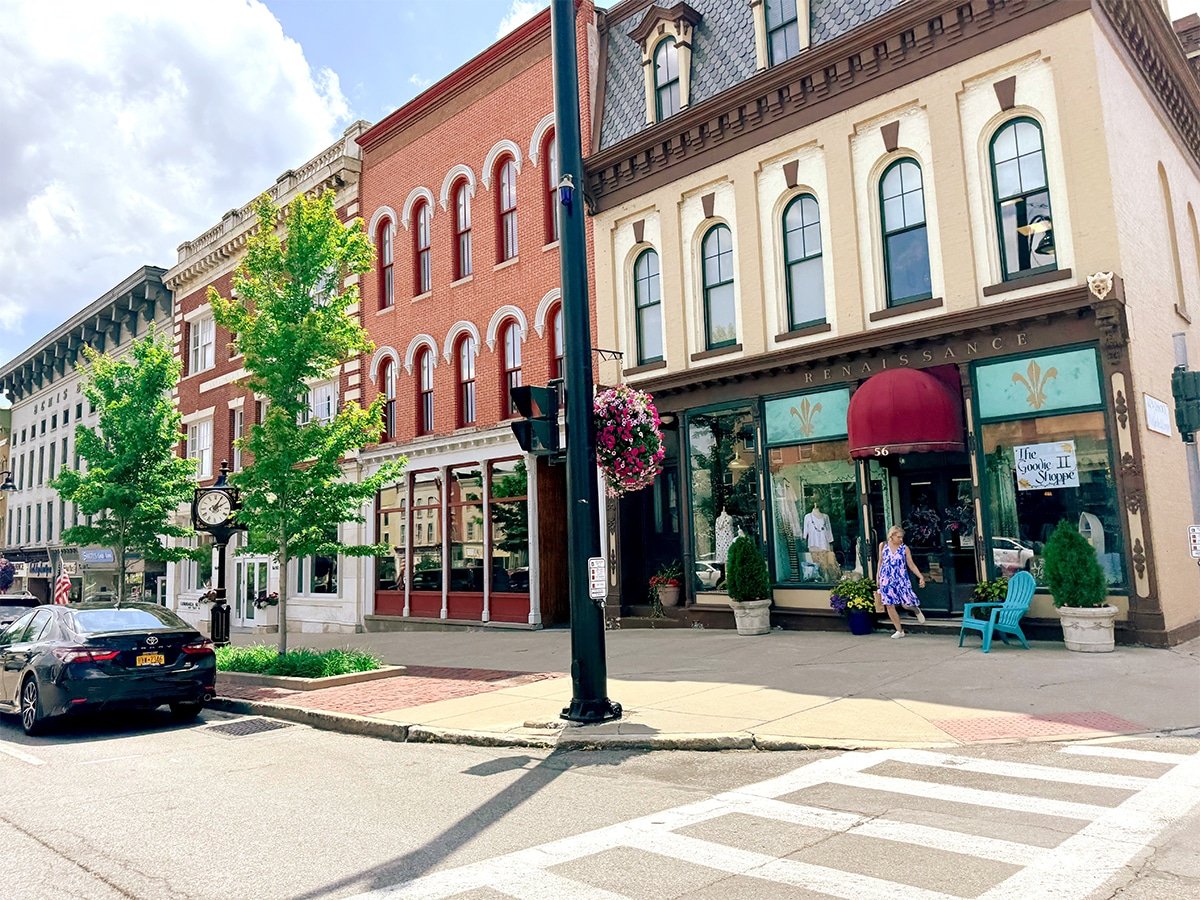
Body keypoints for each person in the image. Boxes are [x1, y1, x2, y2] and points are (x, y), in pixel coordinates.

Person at [876, 525, 926, 638]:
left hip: (901, 579)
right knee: (889, 605)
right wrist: (878, 577)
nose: (901, 539)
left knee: (906, 604)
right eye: (898, 537)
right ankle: (899, 630)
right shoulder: (883, 546)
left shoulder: (904, 548)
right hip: (886, 579)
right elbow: (880, 561)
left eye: (902, 537)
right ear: (892, 536)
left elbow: (911, 564)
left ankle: (916, 610)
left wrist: (920, 576)